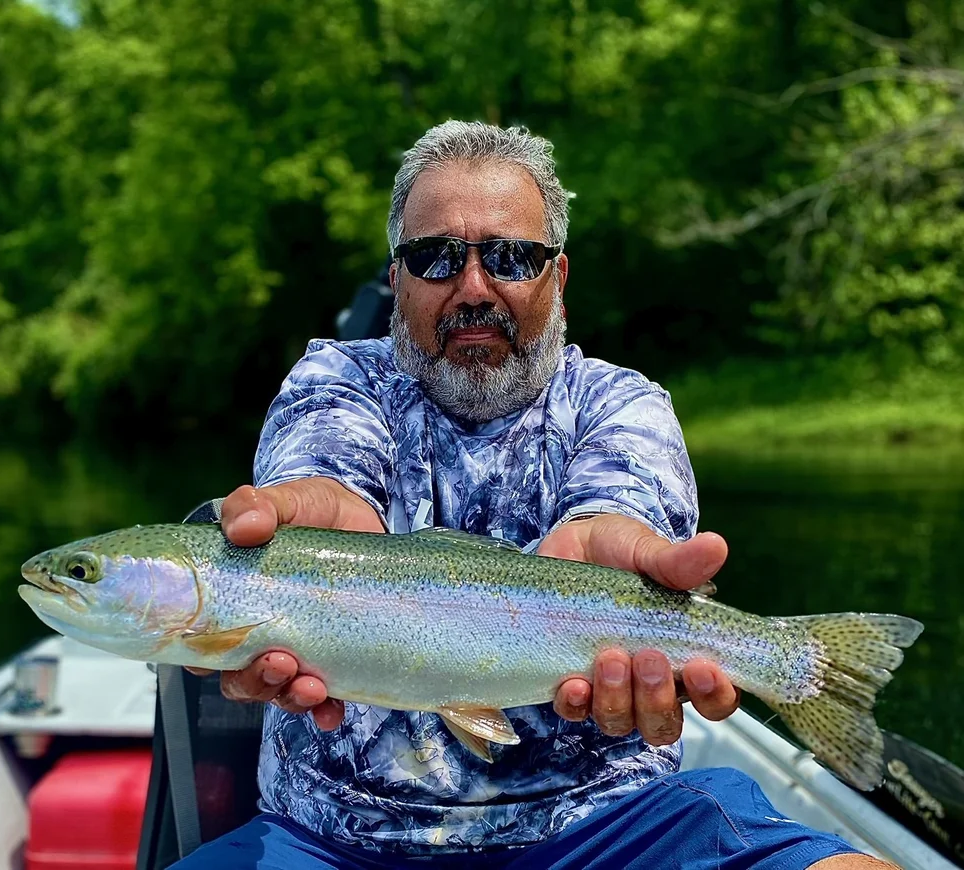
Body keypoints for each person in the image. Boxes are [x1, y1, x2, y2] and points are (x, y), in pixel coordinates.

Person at [175, 121, 892, 869]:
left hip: (610, 829)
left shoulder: (620, 403)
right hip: (331, 839)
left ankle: (805, 668)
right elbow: (326, 470)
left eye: (512, 257)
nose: (474, 287)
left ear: (559, 278)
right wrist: (311, 509)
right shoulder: (338, 380)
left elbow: (618, 510)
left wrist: (611, 538)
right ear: (396, 280)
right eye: (436, 258)